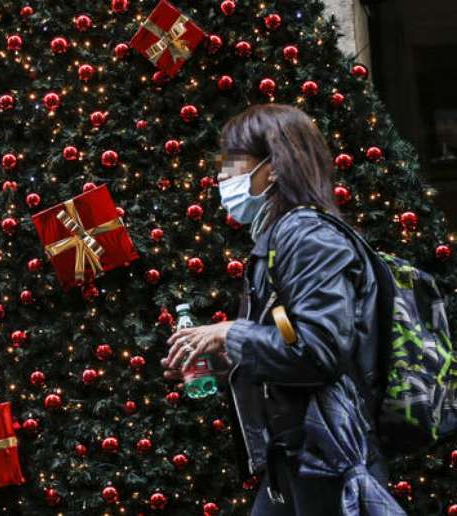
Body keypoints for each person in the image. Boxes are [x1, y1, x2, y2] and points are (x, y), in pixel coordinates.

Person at [160, 104, 390, 515]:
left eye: (234, 164)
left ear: (276, 166)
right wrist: (220, 358)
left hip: (328, 457)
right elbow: (287, 338)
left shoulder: (308, 237)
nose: (222, 178)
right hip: (301, 455)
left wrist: (230, 333)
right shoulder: (280, 238)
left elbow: (319, 350)